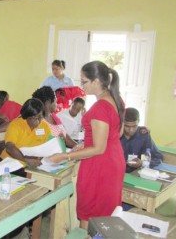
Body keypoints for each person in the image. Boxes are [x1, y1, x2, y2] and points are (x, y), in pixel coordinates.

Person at [48, 61, 125, 230]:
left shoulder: (100, 108)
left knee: (90, 213)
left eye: (84, 81)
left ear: (97, 81)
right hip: (114, 160)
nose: (81, 85)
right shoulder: (117, 100)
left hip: (99, 165)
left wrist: (65, 156)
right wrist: (85, 144)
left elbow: (99, 148)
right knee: (107, 214)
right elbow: (116, 134)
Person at [0, 98, 52, 175]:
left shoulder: (45, 126)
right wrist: (26, 160)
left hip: (34, 164)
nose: (38, 121)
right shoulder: (16, 125)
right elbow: (10, 148)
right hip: (12, 163)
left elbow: (49, 146)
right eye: (34, 118)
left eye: (40, 117)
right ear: (26, 116)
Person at [121, 107, 163, 173]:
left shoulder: (143, 136)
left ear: (139, 121)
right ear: (122, 122)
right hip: (115, 173)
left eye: (134, 126)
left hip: (136, 173)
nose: (131, 130)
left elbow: (157, 157)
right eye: (127, 126)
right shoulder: (114, 135)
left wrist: (142, 163)